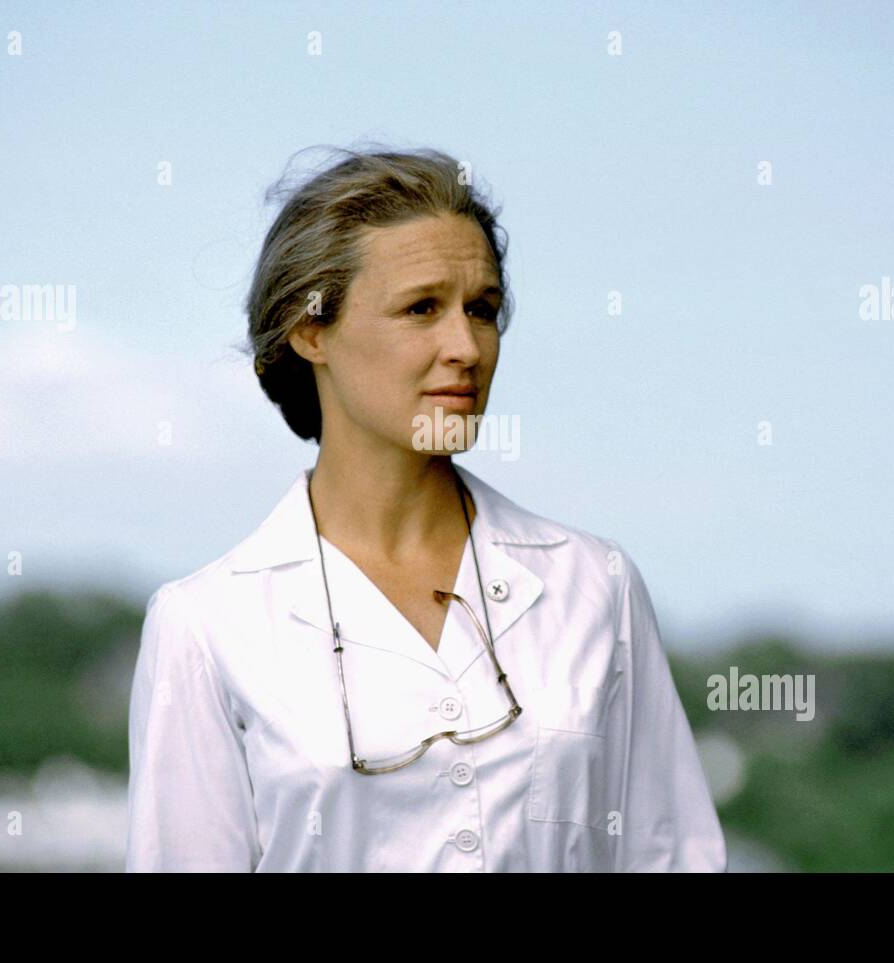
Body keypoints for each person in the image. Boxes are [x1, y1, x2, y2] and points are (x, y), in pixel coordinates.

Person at [125, 147, 725, 872]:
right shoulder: (207, 626)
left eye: (483, 309)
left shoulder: (596, 585)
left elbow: (673, 856)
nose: (465, 347)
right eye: (421, 308)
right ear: (311, 330)